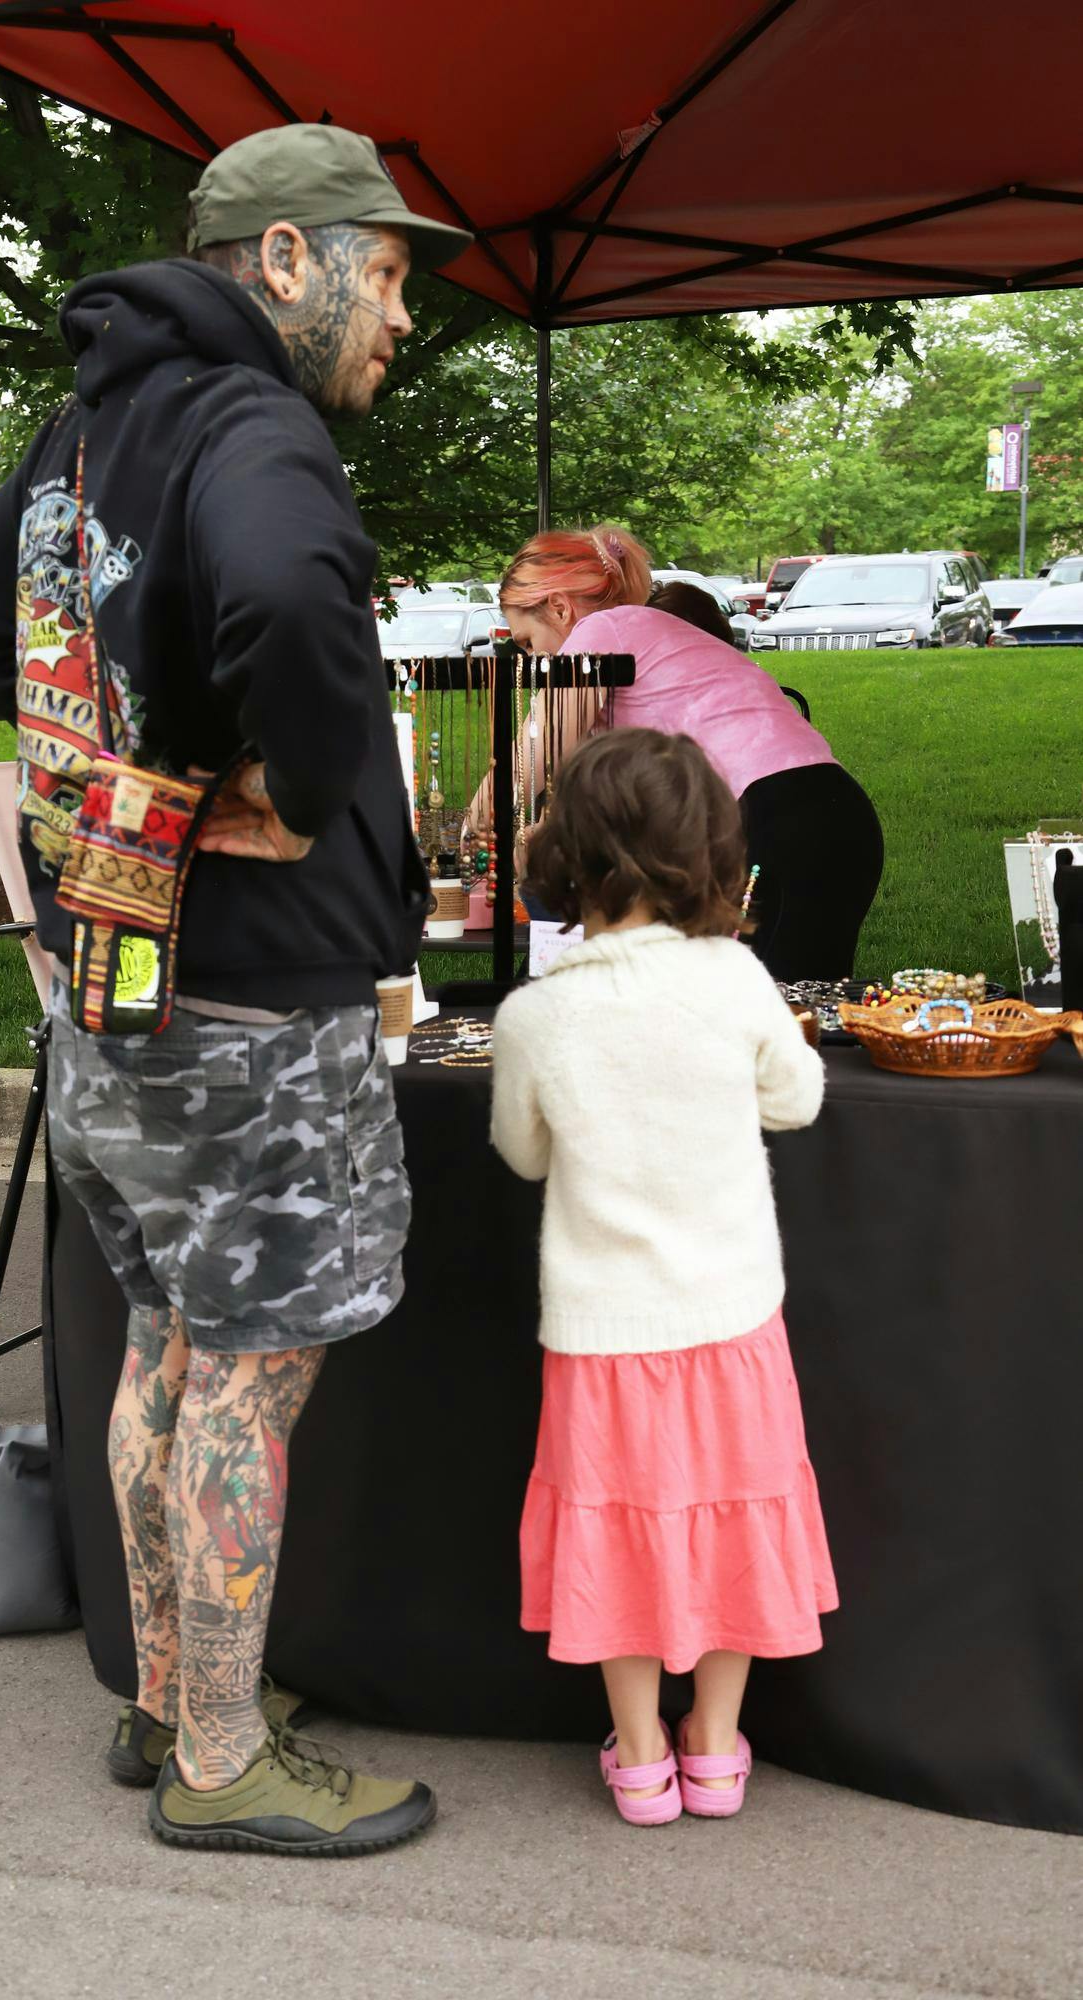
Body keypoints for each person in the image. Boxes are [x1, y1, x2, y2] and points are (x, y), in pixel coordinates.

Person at [0, 124, 472, 1858]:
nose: (401, 317)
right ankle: (227, 1761)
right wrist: (296, 793)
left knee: (168, 1342)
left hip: (113, 985)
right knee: (245, 1371)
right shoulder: (252, 423)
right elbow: (300, 606)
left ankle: (168, 1697)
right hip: (253, 1011)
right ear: (287, 262)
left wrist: (114, 778)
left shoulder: (87, 427)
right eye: (384, 275)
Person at [490, 727, 837, 1825]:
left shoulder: (534, 1013)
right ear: (711, 848)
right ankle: (717, 1743)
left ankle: (639, 1754)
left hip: (600, 1328)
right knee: (736, 1512)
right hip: (732, 1310)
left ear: (564, 853)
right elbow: (797, 1098)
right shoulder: (732, 976)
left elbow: (524, 1152)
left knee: (616, 1521)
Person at [490, 525, 885, 981]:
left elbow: (536, 751)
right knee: (800, 1010)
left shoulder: (603, 628)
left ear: (559, 608)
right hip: (835, 816)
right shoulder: (649, 637)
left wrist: (476, 821)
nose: (533, 660)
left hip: (781, 823)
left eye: (527, 642)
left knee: (758, 1010)